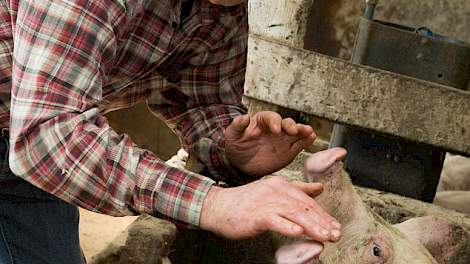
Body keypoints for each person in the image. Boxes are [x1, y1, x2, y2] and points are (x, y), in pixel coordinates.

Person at [0, 0, 341, 263]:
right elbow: (46, 135)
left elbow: (200, 97)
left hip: (19, 156)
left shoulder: (224, 9)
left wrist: (229, 149)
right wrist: (212, 203)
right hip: (32, 140)